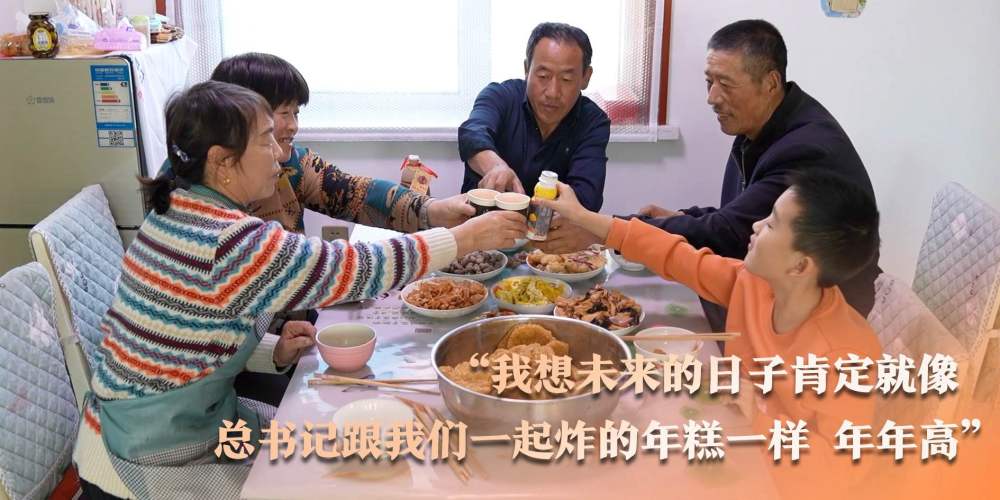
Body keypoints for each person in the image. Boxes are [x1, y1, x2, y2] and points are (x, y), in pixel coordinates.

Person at [74, 81, 526, 499]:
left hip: (166, 421)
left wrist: (269, 351)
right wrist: (465, 238)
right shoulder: (228, 239)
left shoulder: (177, 209)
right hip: (156, 453)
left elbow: (181, 334)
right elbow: (353, 268)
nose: (280, 153)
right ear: (222, 161)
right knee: (336, 475)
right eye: (266, 139)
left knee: (323, 441)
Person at [536, 169, 881, 496]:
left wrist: (760, 419)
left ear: (800, 265)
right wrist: (586, 219)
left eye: (772, 223)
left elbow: (843, 469)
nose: (756, 225)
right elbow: (679, 257)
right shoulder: (755, 283)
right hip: (733, 444)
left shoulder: (846, 354)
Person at [540, 19, 880, 328]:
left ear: (771, 83)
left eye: (725, 84)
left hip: (805, 322)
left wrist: (600, 230)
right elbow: (742, 215)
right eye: (709, 82)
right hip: (760, 292)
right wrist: (684, 217)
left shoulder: (806, 150)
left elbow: (730, 232)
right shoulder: (758, 124)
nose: (712, 98)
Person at [458, 22, 610, 211]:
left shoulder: (593, 122)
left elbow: (587, 200)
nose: (553, 92)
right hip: (482, 224)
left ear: (586, 77)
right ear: (527, 69)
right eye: (543, 76)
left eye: (566, 79)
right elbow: (472, 134)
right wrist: (495, 167)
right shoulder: (500, 97)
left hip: (553, 228)